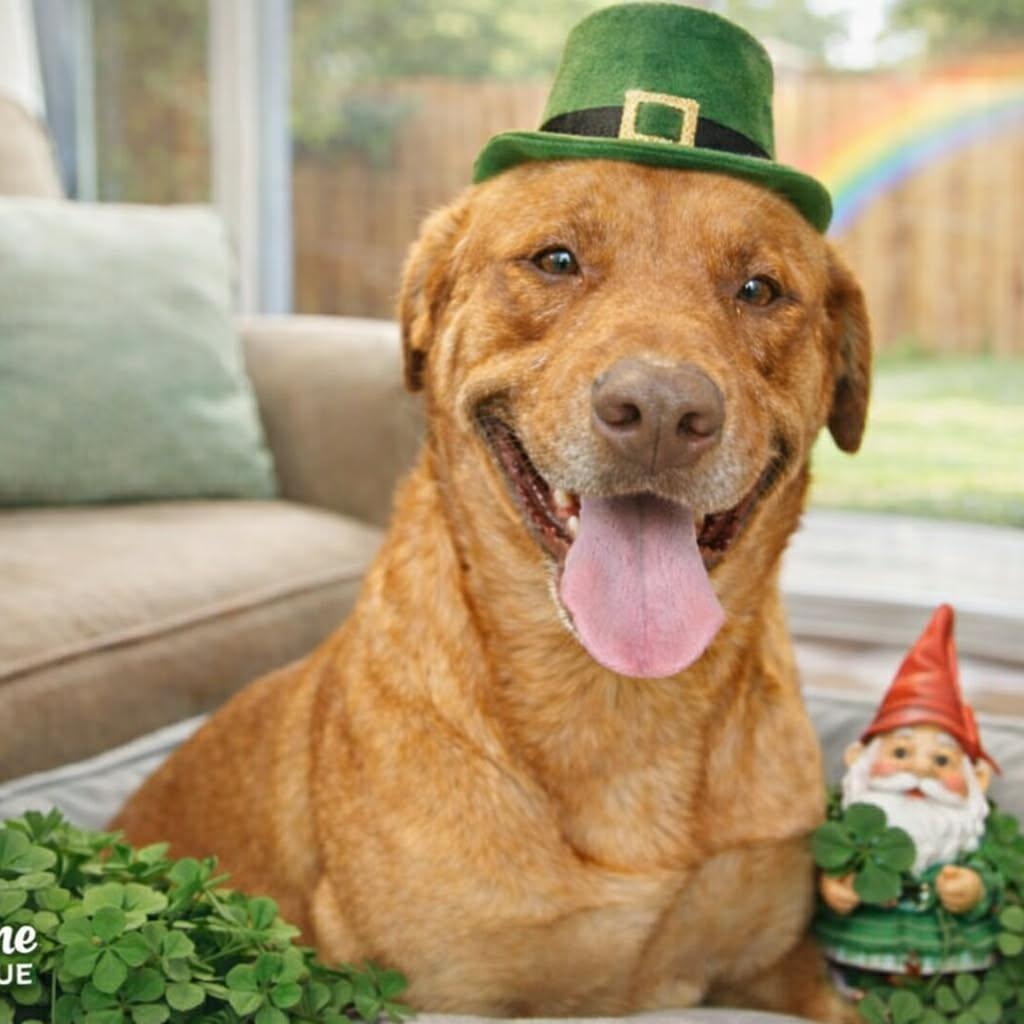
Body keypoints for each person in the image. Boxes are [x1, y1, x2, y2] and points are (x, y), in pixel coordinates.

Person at [815, 604, 1002, 976]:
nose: (919, 770)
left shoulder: (965, 838)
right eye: (900, 752)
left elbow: (996, 875)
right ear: (857, 759)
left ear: (977, 780)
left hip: (948, 971)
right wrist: (833, 888)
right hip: (852, 960)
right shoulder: (839, 827)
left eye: (942, 761)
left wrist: (975, 890)